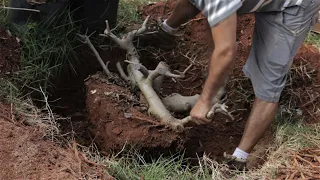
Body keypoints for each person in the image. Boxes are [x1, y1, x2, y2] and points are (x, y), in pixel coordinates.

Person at [139, 0, 320, 170]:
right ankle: (166, 32)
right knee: (212, 16)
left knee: (269, 80)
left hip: (293, 6)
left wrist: (205, 100)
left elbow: (226, 51)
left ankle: (239, 159)